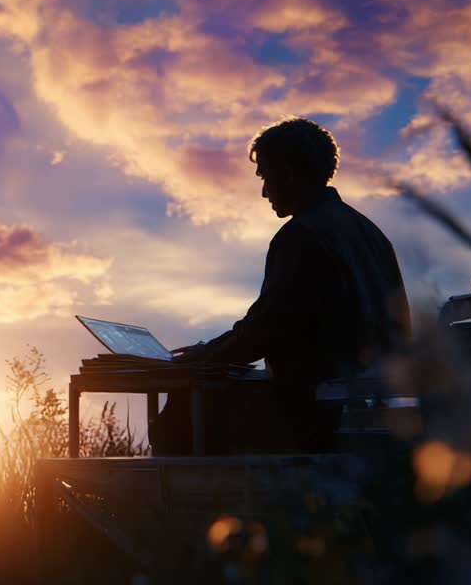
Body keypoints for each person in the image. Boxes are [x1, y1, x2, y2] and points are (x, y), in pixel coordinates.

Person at [150, 117, 410, 455]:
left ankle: (179, 504)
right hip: (370, 407)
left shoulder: (302, 236)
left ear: (287, 173)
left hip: (313, 413)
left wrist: (203, 357)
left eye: (266, 177)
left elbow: (264, 332)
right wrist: (216, 347)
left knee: (183, 407)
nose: (263, 191)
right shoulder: (370, 234)